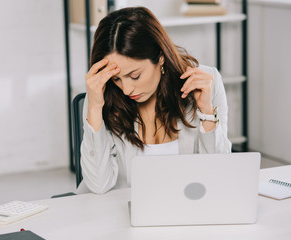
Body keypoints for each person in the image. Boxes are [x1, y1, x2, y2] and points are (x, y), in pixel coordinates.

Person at [76, 6, 231, 194]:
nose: (126, 89)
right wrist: (93, 107)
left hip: (187, 210)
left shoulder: (206, 82)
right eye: (116, 79)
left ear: (160, 57)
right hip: (119, 214)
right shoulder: (101, 95)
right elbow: (98, 185)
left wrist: (206, 111)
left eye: (135, 76)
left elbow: (219, 172)